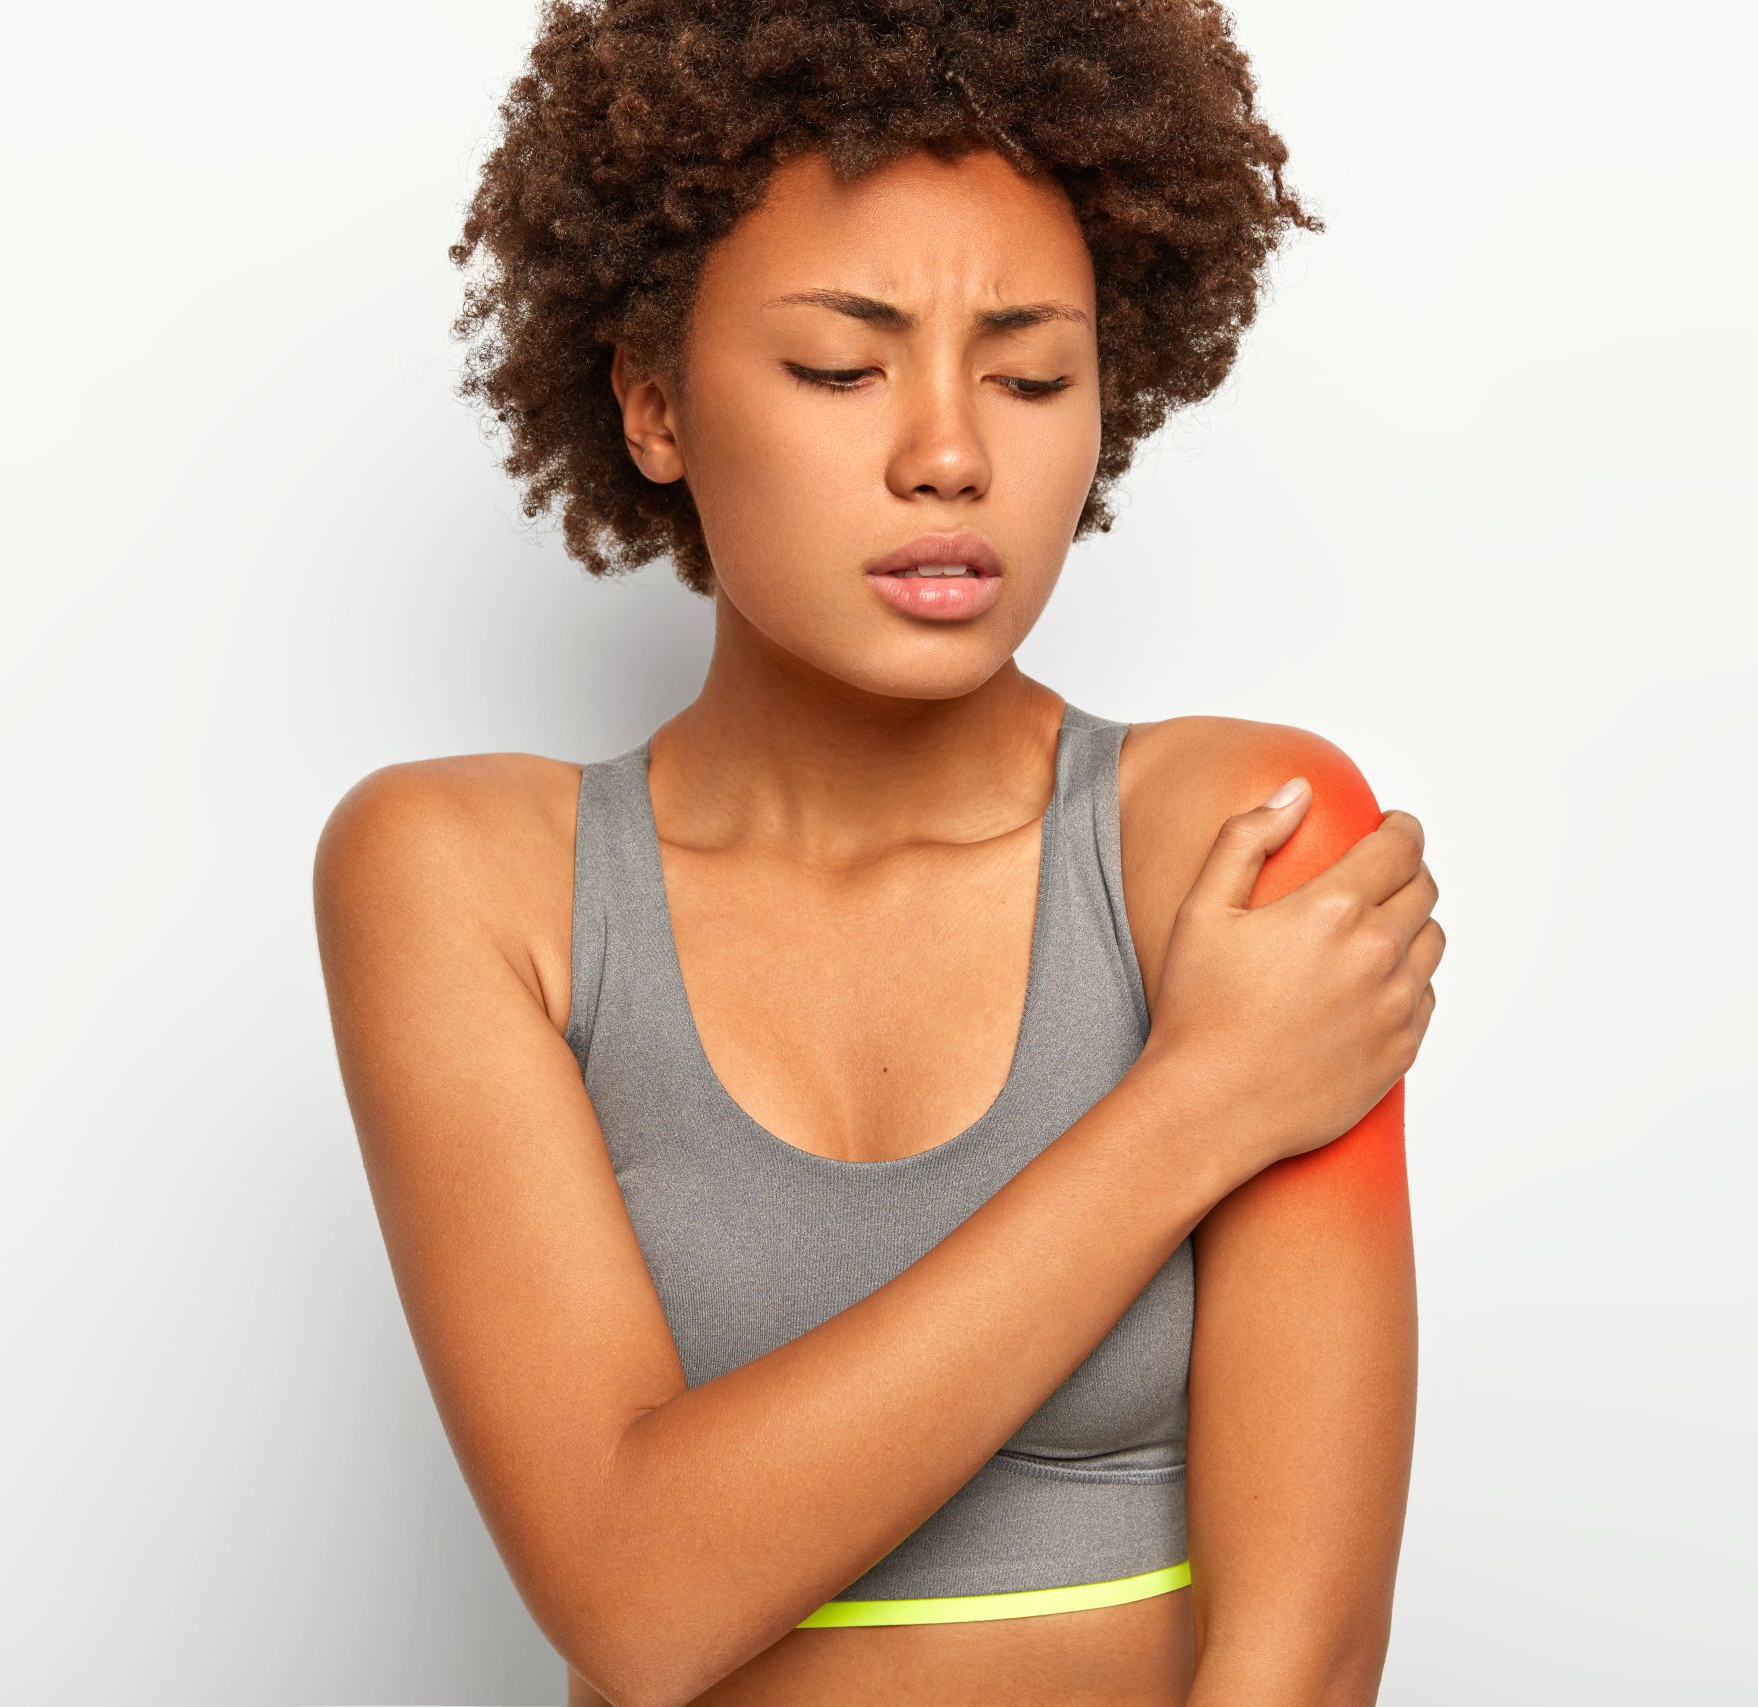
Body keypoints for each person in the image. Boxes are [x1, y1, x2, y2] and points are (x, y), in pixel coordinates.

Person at [310, 4, 1442, 1705]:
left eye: (1031, 374)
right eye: (842, 368)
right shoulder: (462, 875)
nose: (950, 455)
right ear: (654, 406)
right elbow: (632, 1597)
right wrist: (1197, 1106)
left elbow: (1306, 1652)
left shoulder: (1245, 841)